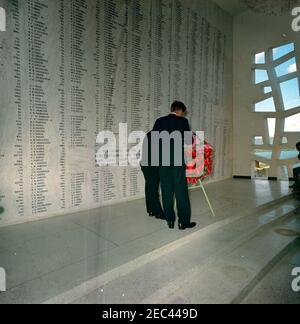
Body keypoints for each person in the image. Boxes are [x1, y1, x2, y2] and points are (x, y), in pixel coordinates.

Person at [152, 101, 196, 230]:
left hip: (162, 159)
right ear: (180, 111)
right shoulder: (182, 121)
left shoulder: (159, 121)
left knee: (166, 189)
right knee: (180, 189)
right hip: (176, 158)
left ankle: (170, 220)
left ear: (172, 109)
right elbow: (188, 141)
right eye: (182, 112)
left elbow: (153, 141)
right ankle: (183, 222)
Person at [140, 132, 165, 220]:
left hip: (145, 164)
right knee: (153, 189)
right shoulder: (159, 136)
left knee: (149, 187)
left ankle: (150, 210)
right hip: (152, 165)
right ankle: (158, 213)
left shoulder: (150, 134)